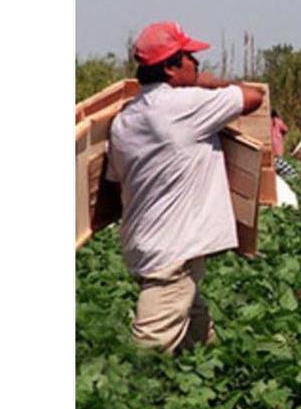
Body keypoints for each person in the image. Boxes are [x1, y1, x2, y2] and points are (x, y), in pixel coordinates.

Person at [105, 21, 265, 355]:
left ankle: (210, 367)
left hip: (146, 242)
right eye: (189, 57)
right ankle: (120, 400)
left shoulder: (125, 119)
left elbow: (115, 179)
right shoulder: (183, 106)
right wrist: (208, 83)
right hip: (173, 251)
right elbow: (254, 97)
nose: (197, 63)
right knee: (147, 351)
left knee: (194, 324)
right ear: (169, 67)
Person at [271, 109, 298, 180]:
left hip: (273, 150)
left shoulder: (269, 122)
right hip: (277, 149)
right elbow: (285, 130)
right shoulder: (278, 122)